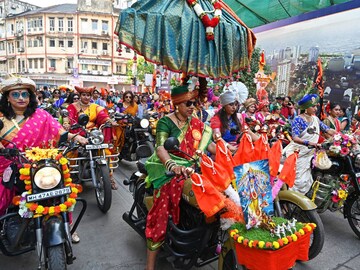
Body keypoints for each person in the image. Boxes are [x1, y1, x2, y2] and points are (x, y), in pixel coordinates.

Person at [0, 77, 87, 241]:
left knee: (62, 190)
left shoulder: (41, 115)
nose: (21, 98)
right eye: (16, 94)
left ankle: (67, 227)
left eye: (24, 94)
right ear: (7, 97)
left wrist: (76, 138)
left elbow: (59, 132)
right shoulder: (1, 118)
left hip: (42, 166)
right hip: (12, 167)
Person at [144, 85, 218, 270]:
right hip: (167, 168)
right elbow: (160, 148)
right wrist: (172, 165)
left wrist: (231, 152)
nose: (193, 107)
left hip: (193, 167)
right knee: (160, 213)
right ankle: (150, 265)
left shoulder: (198, 124)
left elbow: (209, 147)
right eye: (188, 103)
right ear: (177, 104)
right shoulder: (165, 122)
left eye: (194, 103)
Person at [62, 86, 119, 190]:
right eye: (84, 95)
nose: (86, 97)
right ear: (80, 96)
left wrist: (110, 121)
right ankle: (71, 177)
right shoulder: (72, 107)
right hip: (77, 133)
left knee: (107, 152)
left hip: (94, 135)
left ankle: (109, 176)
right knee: (71, 153)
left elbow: (103, 116)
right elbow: (67, 118)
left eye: (88, 95)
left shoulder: (96, 107)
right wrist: (66, 123)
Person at [283, 94, 335, 194]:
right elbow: (295, 138)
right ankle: (290, 201)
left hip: (310, 154)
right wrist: (309, 143)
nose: (316, 108)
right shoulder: (298, 119)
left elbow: (328, 130)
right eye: (313, 106)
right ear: (306, 107)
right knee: (299, 181)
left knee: (309, 180)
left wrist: (343, 136)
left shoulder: (315, 119)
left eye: (316, 106)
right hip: (298, 154)